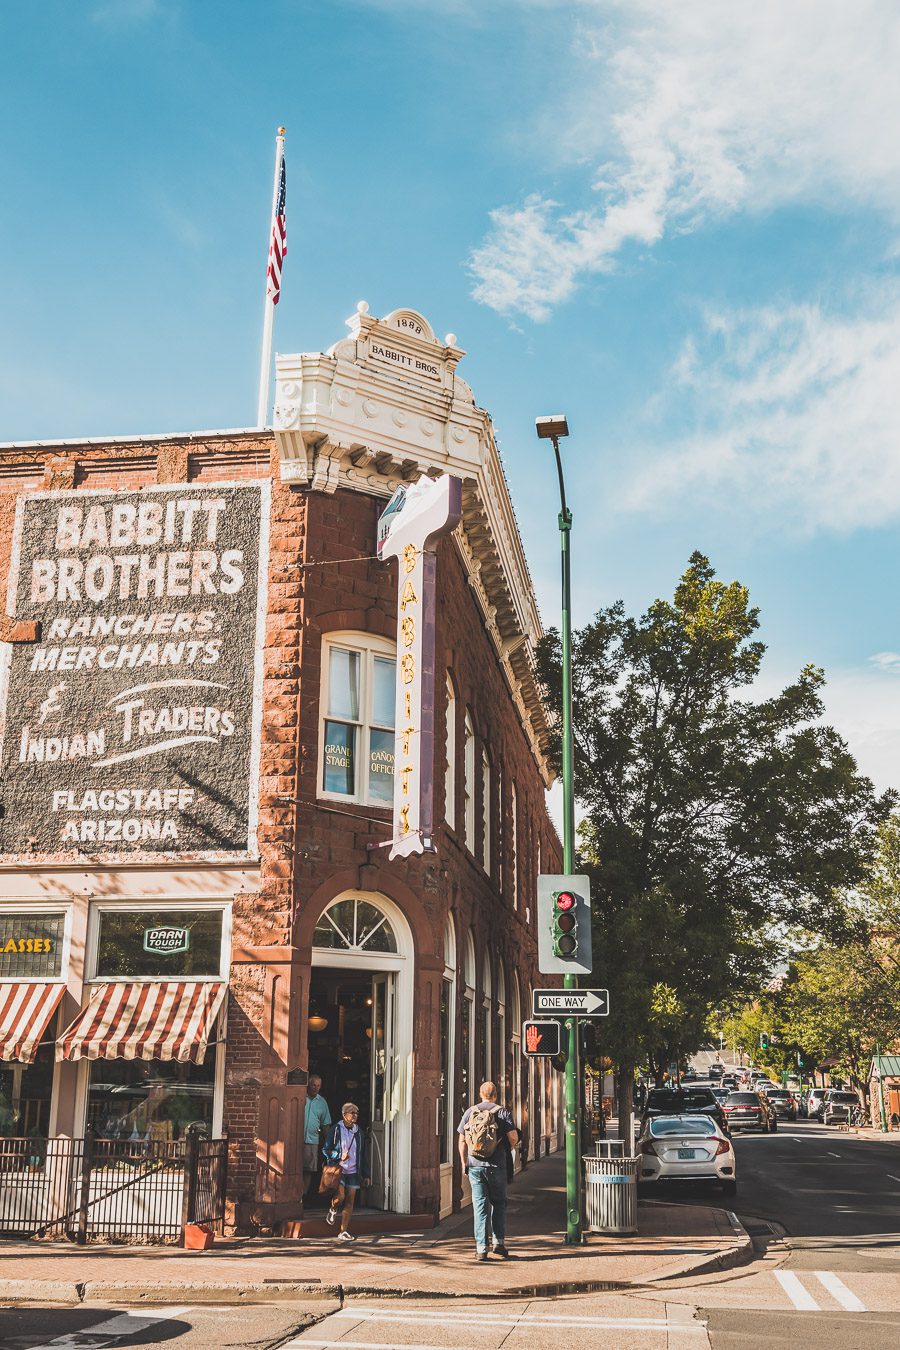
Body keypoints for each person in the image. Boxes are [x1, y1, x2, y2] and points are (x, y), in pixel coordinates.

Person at [457, 1080, 519, 1261]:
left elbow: (461, 1140)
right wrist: (508, 1147)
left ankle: (481, 1248)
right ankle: (498, 1243)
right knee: (499, 1203)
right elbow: (513, 1137)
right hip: (496, 1166)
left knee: (480, 1206)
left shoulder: (470, 1112)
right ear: (496, 1095)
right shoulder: (503, 1112)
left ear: (480, 1094)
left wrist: (464, 1162)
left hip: (475, 1165)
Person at [322, 1102, 370, 1242]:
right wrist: (338, 1155)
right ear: (344, 1115)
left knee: (350, 1201)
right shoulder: (336, 1130)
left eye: (356, 1113)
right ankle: (333, 1208)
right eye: (352, 1112)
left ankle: (343, 1231)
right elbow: (325, 1149)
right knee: (340, 1197)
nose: (355, 1115)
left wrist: (366, 1174)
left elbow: (363, 1154)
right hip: (339, 1169)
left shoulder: (359, 1132)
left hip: (354, 1171)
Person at [302, 1075, 332, 1202]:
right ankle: (294, 1196)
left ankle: (303, 1196)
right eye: (314, 1085)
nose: (316, 1088)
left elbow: (325, 1124)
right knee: (295, 1169)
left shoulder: (322, 1102)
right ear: (308, 1084)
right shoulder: (300, 1096)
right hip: (296, 1140)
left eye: (318, 1086)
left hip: (312, 1140)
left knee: (308, 1170)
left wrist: (330, 1143)